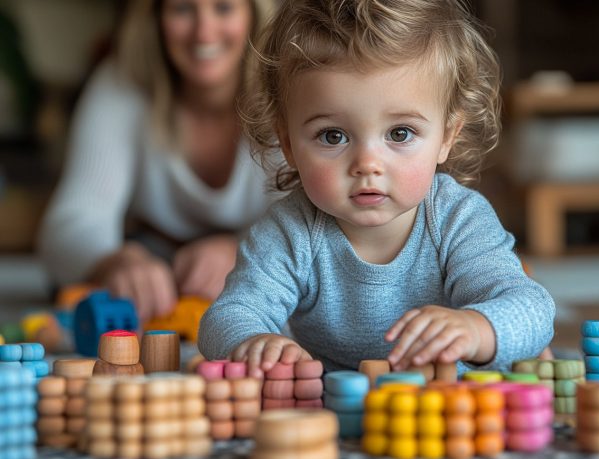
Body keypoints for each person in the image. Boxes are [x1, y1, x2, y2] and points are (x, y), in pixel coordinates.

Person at [198, 0, 555, 377]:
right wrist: (253, 342)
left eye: (400, 133)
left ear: (447, 136)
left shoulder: (458, 218)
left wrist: (476, 329)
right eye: (332, 136)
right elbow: (226, 316)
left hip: (448, 409)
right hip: (335, 410)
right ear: (288, 145)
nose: (367, 164)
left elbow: (532, 307)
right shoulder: (290, 231)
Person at [38, 0, 278, 320]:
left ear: (253, 15)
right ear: (155, 18)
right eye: (181, 9)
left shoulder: (289, 88)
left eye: (223, 8)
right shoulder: (121, 82)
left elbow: (325, 224)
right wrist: (114, 261)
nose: (203, 32)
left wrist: (245, 251)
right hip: (151, 288)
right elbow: (67, 226)